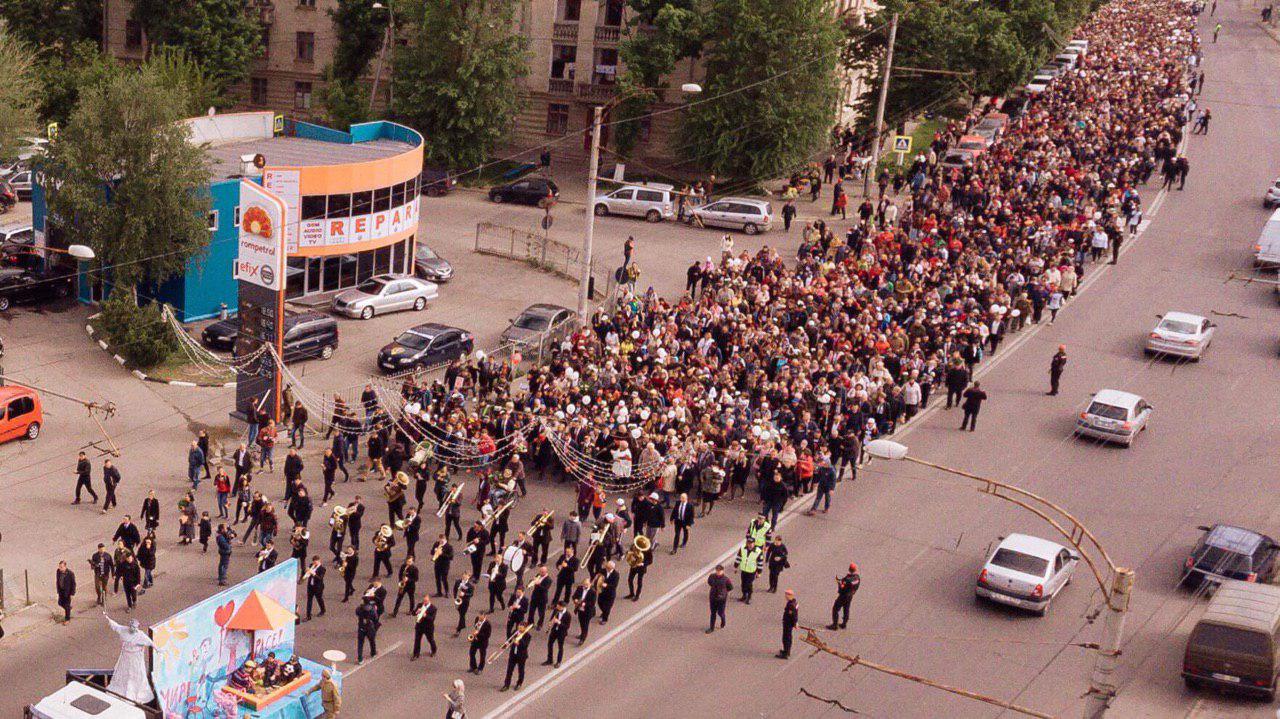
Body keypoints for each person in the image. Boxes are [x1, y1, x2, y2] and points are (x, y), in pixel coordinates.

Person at [500, 622, 532, 691]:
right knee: (509, 670)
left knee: (521, 670)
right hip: (513, 655)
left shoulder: (528, 635)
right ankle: (506, 685)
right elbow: (510, 639)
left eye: (521, 627)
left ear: (525, 628)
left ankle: (519, 683)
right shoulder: (515, 632)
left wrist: (519, 642)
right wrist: (506, 644)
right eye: (519, 627)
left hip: (521, 656)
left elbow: (525, 646)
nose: (519, 628)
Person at [828, 562, 860, 630]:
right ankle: (844, 624)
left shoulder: (847, 579)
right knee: (846, 608)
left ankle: (834, 625)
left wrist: (839, 583)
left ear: (849, 569)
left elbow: (842, 586)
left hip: (843, 596)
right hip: (850, 595)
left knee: (835, 609)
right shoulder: (857, 578)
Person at [734, 540, 763, 604]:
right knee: (743, 584)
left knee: (749, 584)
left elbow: (760, 563)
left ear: (754, 543)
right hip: (744, 570)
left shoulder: (758, 551)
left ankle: (749, 597)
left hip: (751, 571)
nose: (750, 545)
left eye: (751, 543)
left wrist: (759, 572)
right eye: (748, 543)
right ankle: (744, 595)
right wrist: (735, 566)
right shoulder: (742, 548)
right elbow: (739, 558)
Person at [542, 601, 570, 668]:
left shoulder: (568, 615)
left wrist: (559, 622)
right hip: (554, 630)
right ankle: (550, 659)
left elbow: (567, 626)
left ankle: (558, 662)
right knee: (550, 644)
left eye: (559, 607)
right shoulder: (556, 611)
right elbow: (552, 617)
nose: (557, 608)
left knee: (560, 647)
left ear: (563, 607)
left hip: (561, 633)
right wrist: (550, 622)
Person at [705, 565, 732, 634]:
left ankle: (723, 619)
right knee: (713, 613)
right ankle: (711, 627)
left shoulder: (726, 579)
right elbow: (709, 582)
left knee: (720, 612)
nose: (718, 572)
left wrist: (724, 592)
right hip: (713, 598)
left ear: (723, 571)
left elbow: (730, 587)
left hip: (721, 599)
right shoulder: (712, 576)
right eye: (717, 570)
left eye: (719, 571)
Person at [411, 593, 438, 659]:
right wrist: (416, 612)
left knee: (430, 639)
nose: (424, 602)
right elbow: (413, 613)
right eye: (424, 601)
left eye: (426, 601)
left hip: (428, 627)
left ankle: (434, 650)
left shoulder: (433, 608)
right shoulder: (420, 605)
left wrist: (425, 615)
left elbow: (432, 619)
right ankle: (416, 654)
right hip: (419, 626)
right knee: (417, 640)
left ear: (429, 601)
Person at [356, 595, 380, 663]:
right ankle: (373, 652)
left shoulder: (359, 609)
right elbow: (375, 618)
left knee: (360, 643)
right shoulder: (372, 610)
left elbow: (356, 612)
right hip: (369, 627)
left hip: (361, 627)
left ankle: (360, 658)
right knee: (372, 640)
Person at [303, 555, 327, 620]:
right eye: (314, 562)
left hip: (318, 587)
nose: (314, 563)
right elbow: (307, 573)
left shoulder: (322, 569)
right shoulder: (311, 565)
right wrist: (307, 571)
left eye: (316, 562)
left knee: (319, 599)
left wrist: (313, 573)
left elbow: (320, 578)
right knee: (309, 600)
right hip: (310, 586)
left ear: (319, 561)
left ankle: (323, 610)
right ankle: (308, 615)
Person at [778, 589, 799, 659]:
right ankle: (786, 651)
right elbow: (796, 614)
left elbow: (793, 615)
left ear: (790, 595)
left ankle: (786, 653)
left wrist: (795, 623)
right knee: (788, 637)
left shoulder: (791, 605)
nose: (785, 596)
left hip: (788, 623)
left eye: (787, 595)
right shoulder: (794, 603)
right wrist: (795, 622)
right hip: (789, 623)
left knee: (786, 638)